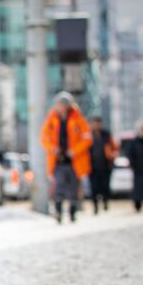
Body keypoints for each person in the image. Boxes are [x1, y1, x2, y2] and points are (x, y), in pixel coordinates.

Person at [41, 91, 93, 223]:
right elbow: (44, 138)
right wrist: (53, 148)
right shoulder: (51, 119)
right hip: (58, 160)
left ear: (68, 106)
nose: (60, 107)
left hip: (74, 161)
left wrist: (74, 151)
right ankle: (58, 212)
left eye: (63, 105)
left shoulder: (78, 119)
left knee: (73, 188)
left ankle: (72, 212)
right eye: (58, 105)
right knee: (59, 187)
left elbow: (87, 139)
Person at [88, 116, 118, 214]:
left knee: (105, 186)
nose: (96, 125)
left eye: (98, 123)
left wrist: (112, 156)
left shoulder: (106, 135)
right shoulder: (88, 135)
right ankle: (95, 206)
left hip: (105, 165)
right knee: (94, 187)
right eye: (94, 123)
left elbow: (114, 147)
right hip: (92, 166)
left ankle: (105, 202)